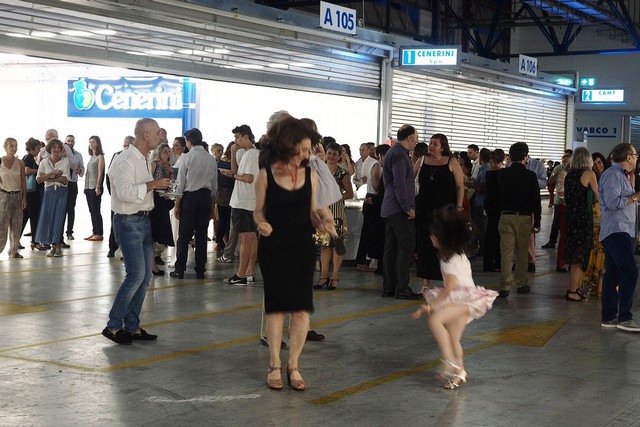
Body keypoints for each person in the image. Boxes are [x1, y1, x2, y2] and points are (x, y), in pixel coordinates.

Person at [254, 116, 326, 391]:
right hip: (274, 247)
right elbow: (258, 211)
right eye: (304, 149)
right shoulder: (266, 175)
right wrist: (261, 223)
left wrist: (323, 221)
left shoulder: (311, 175)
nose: (307, 155)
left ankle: (293, 365)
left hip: (302, 246)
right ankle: (274, 363)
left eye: (309, 150)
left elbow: (313, 212)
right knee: (277, 308)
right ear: (288, 145)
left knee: (301, 309)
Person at [411, 205, 498, 390]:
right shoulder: (458, 254)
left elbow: (450, 287)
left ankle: (449, 361)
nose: (431, 237)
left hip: (463, 299)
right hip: (466, 298)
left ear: (443, 239)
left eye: (434, 236)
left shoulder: (447, 259)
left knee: (435, 320)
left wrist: (430, 306)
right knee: (453, 338)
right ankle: (459, 371)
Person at [102, 118, 170, 345]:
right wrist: (153, 185)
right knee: (135, 276)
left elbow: (142, 191)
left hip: (144, 221)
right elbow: (124, 192)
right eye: (157, 132)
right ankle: (113, 326)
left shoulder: (144, 159)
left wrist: (161, 189)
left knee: (144, 277)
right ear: (146, 135)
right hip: (128, 221)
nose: (161, 136)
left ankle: (132, 326)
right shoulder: (125, 160)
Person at [414, 133, 465, 290]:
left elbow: (460, 186)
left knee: (445, 245)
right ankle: (426, 283)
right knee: (425, 245)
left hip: (445, 211)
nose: (431, 146)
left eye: (435, 144)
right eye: (430, 143)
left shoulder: (451, 161)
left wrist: (459, 207)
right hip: (424, 209)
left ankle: (449, 282)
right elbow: (410, 178)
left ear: (443, 147)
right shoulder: (422, 160)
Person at [598, 143, 640, 331]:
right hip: (616, 230)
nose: (637, 158)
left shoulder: (623, 176)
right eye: (635, 155)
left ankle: (608, 316)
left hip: (625, 230)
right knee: (630, 270)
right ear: (628, 157)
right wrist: (635, 196)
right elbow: (613, 202)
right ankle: (625, 318)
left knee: (613, 273)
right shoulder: (612, 175)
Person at [170, 128, 217, 279]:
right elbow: (214, 186)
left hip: (190, 198)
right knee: (202, 235)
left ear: (189, 141)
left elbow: (180, 183)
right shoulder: (211, 159)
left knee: (184, 235)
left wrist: (177, 205)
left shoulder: (187, 157)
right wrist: (213, 207)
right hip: (205, 197)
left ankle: (180, 269)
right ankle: (200, 269)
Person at [381, 125, 421, 299]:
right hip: (398, 209)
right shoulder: (400, 155)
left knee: (391, 249)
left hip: (389, 208)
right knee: (406, 247)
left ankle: (389, 287)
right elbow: (400, 184)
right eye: (416, 137)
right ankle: (402, 287)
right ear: (410, 138)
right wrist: (407, 207)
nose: (417, 141)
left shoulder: (393, 152)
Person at [497, 142, 541, 297]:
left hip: (506, 216)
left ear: (510, 156)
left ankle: (505, 286)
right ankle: (521, 284)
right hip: (524, 218)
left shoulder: (502, 174)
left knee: (506, 253)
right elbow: (536, 200)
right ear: (525, 156)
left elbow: (498, 195)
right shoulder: (531, 176)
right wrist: (537, 222)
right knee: (522, 252)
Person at [220, 125, 259, 285]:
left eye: (237, 137)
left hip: (243, 201)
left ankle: (241, 274)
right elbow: (240, 172)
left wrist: (234, 176)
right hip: (250, 201)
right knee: (251, 238)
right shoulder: (251, 153)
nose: (235, 140)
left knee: (245, 239)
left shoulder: (251, 155)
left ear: (245, 137)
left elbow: (248, 178)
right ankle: (248, 272)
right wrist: (233, 158)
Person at [313, 141, 353, 290]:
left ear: (339, 156)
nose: (330, 156)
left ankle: (335, 276)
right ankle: (323, 277)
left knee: (337, 246)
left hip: (337, 214)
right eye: (329, 153)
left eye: (334, 154)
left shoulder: (343, 173)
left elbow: (349, 193)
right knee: (324, 246)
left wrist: (334, 197)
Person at [563, 147, 598, 302]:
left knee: (574, 253)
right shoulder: (589, 173)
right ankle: (572, 290)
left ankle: (574, 287)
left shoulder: (569, 175)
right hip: (583, 218)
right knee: (579, 255)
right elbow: (598, 195)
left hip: (571, 217)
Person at [35, 139, 70, 257]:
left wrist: (48, 178)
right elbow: (39, 179)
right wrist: (52, 173)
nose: (56, 149)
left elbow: (65, 179)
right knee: (49, 218)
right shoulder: (44, 162)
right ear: (49, 148)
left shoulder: (65, 161)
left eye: (58, 147)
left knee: (59, 218)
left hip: (61, 191)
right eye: (54, 147)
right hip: (49, 192)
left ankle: (58, 245)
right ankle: (53, 245)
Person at [149, 143, 175, 275]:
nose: (167, 154)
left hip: (163, 200)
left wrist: (171, 173)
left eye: (168, 152)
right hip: (154, 200)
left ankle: (152, 262)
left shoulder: (168, 166)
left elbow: (170, 185)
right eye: (165, 152)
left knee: (156, 233)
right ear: (158, 153)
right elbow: (149, 182)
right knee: (153, 232)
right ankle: (151, 264)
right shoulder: (154, 164)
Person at [106, 135, 133, 258]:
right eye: (125, 145)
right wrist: (113, 194)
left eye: (129, 146)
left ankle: (125, 249)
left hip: (130, 198)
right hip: (117, 197)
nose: (126, 148)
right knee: (115, 224)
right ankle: (112, 248)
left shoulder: (137, 158)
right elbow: (109, 176)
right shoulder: (117, 155)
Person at [0, 138, 27, 258]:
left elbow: (23, 181)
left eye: (16, 146)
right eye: (11, 146)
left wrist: (24, 198)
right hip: (3, 196)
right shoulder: (0, 161)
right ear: (6, 147)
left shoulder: (20, 163)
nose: (14, 148)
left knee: (17, 225)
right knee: (2, 225)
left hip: (17, 196)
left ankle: (14, 251)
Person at [482, 149, 504, 272]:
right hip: (499, 204)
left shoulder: (489, 172)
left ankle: (488, 262)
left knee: (490, 232)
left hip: (489, 202)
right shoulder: (503, 172)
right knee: (498, 234)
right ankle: (497, 262)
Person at [22, 138, 44, 251]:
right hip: (32, 192)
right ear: (32, 148)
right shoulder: (29, 158)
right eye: (38, 148)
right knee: (34, 217)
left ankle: (16, 240)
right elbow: (26, 171)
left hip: (29, 193)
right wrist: (40, 171)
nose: (39, 150)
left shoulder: (26, 157)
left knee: (25, 217)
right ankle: (35, 241)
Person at [63, 134, 84, 241]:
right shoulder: (62, 154)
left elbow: (82, 169)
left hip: (73, 184)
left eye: (72, 141)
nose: (70, 143)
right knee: (62, 209)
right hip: (63, 184)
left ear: (74, 142)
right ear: (65, 142)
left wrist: (79, 170)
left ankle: (69, 232)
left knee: (71, 209)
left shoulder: (78, 155)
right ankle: (59, 234)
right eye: (68, 141)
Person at [84, 135, 105, 241]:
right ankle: (95, 231)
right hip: (88, 186)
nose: (91, 144)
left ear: (97, 144)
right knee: (91, 210)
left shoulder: (100, 156)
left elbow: (100, 173)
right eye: (90, 142)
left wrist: (98, 186)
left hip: (95, 187)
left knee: (96, 210)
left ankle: (99, 233)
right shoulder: (91, 157)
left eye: (93, 142)